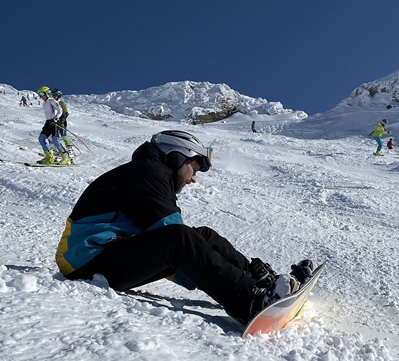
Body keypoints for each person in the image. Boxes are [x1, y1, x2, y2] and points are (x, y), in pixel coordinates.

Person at [55, 130, 313, 325]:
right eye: (194, 167)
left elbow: (163, 245)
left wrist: (195, 267)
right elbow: (171, 236)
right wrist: (197, 269)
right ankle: (252, 302)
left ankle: (265, 283)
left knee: (202, 235)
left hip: (106, 255)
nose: (193, 178)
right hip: (86, 260)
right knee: (181, 237)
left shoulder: (149, 173)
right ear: (177, 157)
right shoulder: (148, 172)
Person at [36, 86, 69, 165]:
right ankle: (49, 157)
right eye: (39, 94)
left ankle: (66, 158)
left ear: (46, 93)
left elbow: (60, 110)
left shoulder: (51, 101)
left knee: (55, 140)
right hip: (48, 123)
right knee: (41, 138)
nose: (40, 96)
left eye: (41, 94)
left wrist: (56, 118)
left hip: (54, 122)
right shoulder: (44, 103)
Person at [51, 89, 75, 161]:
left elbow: (66, 113)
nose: (53, 96)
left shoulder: (62, 103)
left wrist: (61, 121)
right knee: (54, 136)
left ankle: (70, 150)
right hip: (55, 122)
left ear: (58, 96)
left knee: (63, 135)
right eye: (53, 95)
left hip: (62, 122)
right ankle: (56, 151)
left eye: (55, 95)